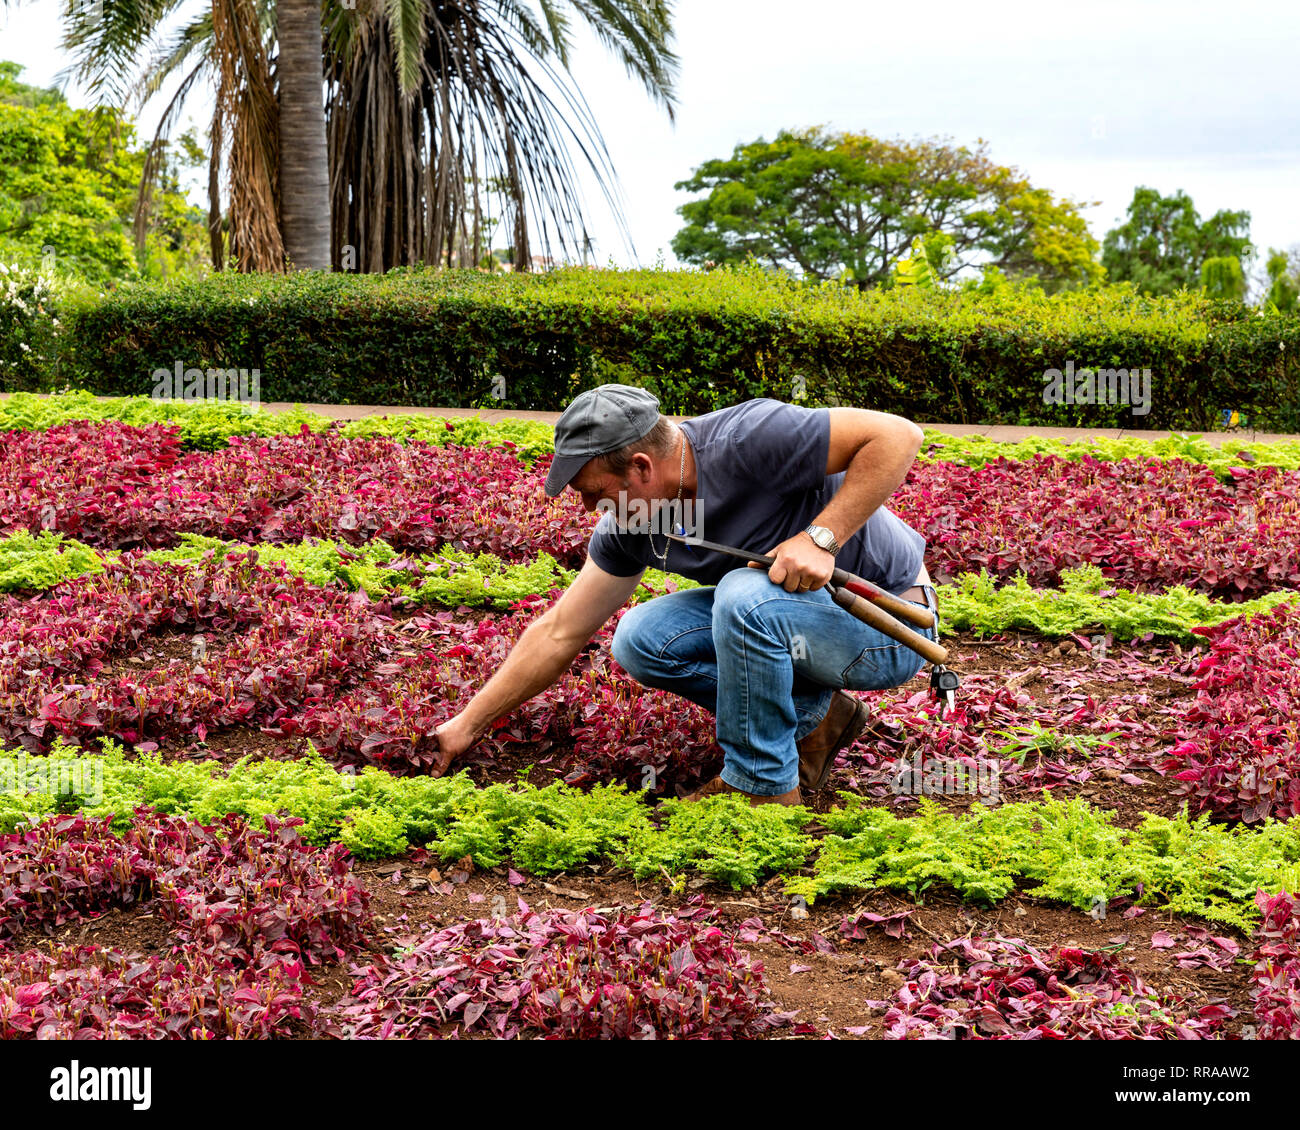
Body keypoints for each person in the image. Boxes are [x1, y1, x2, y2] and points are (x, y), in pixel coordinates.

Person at [432, 384, 939, 805]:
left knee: (742, 594)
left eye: (595, 492)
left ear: (641, 468)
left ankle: (763, 791)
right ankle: (815, 718)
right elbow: (561, 631)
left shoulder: (750, 439)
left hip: (887, 626)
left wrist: (822, 538)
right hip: (784, 620)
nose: (590, 509)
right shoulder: (630, 522)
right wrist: (466, 725)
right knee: (639, 638)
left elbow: (897, 434)